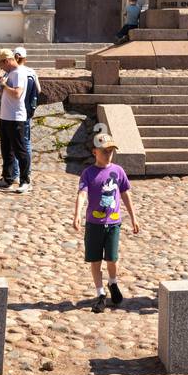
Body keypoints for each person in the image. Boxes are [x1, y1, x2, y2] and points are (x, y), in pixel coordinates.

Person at [73, 133, 139, 312]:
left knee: (112, 258)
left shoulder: (118, 171)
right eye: (104, 151)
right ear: (95, 152)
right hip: (94, 224)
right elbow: (82, 194)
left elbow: (125, 193)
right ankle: (100, 293)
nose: (108, 154)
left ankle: (112, 282)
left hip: (113, 223)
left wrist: (133, 216)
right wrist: (77, 214)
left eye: (111, 151)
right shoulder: (88, 173)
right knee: (95, 260)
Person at [0, 49, 31, 193]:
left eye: (1, 64)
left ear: (7, 61)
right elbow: (8, 95)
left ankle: (25, 181)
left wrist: (5, 85)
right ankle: (7, 178)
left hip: (15, 118)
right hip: (6, 116)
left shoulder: (18, 73)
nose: (0, 67)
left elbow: (17, 94)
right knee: (6, 150)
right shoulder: (10, 73)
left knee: (20, 150)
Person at [7, 47, 40, 185]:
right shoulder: (31, 72)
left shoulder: (13, 73)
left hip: (14, 112)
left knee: (14, 143)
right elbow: (39, 90)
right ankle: (27, 172)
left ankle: (15, 174)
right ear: (25, 58)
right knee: (25, 142)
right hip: (27, 111)